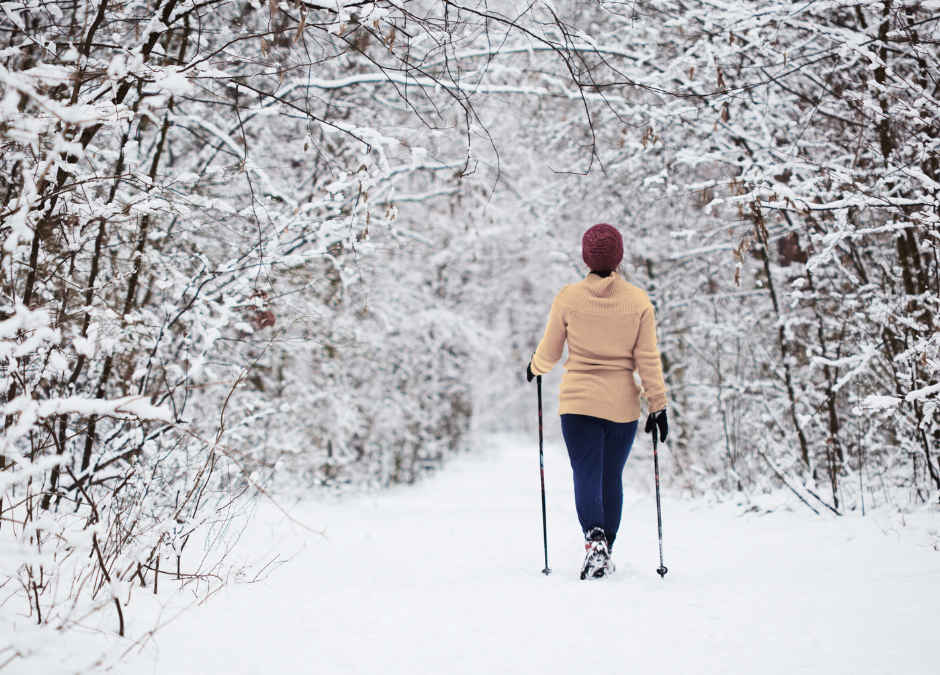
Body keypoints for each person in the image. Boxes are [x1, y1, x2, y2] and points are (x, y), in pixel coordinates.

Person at [526, 223, 668, 580]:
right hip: (621, 407)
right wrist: (657, 404)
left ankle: (595, 541)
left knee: (586, 473)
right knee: (611, 478)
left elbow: (550, 351)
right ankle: (607, 546)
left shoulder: (569, 298)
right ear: (619, 257)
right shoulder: (638, 301)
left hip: (578, 405)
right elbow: (647, 357)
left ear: (585, 257)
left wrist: (535, 366)